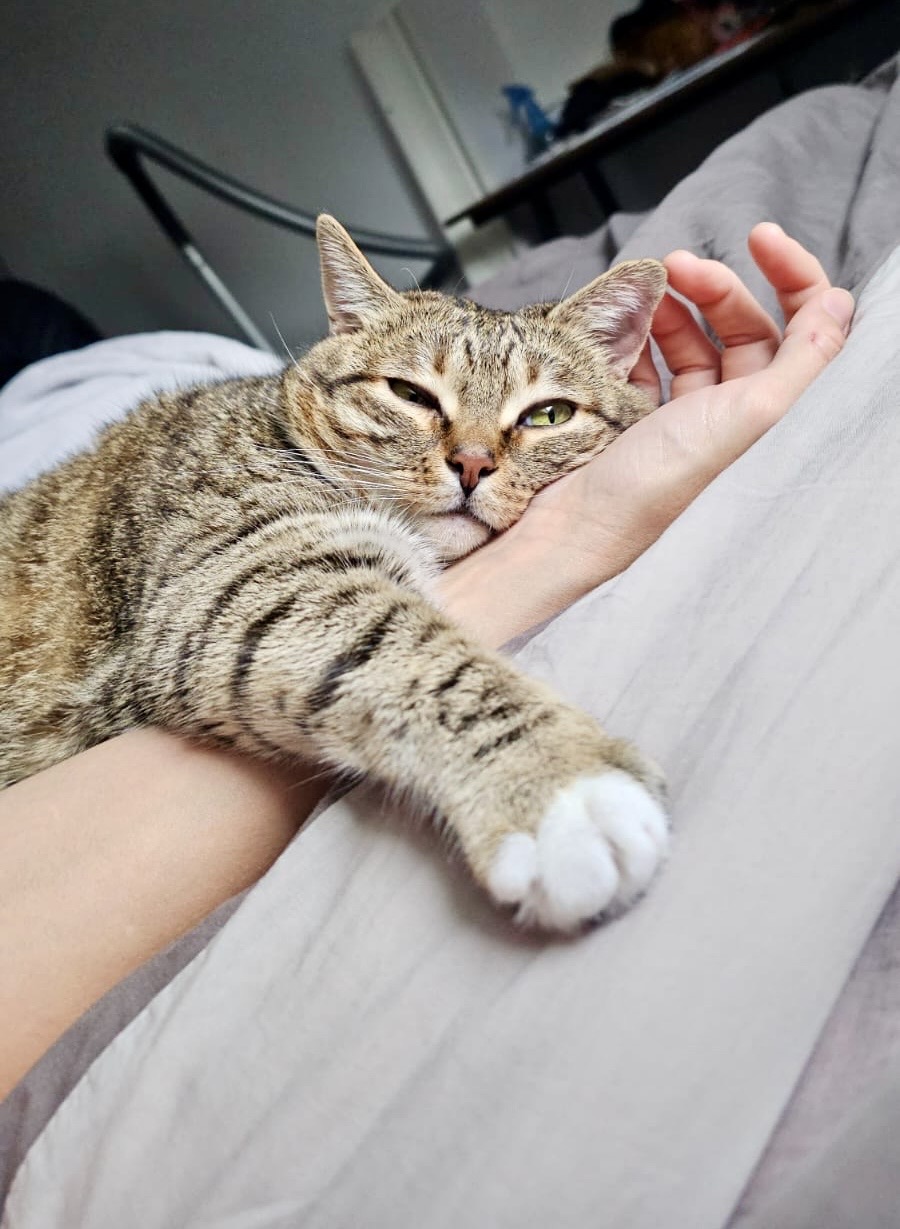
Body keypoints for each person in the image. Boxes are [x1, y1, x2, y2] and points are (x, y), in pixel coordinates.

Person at [0, 223, 854, 1098]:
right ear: (341, 335)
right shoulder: (241, 452)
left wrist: (587, 519)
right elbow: (241, 624)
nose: (471, 458)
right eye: (413, 394)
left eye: (544, 414)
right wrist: (509, 750)